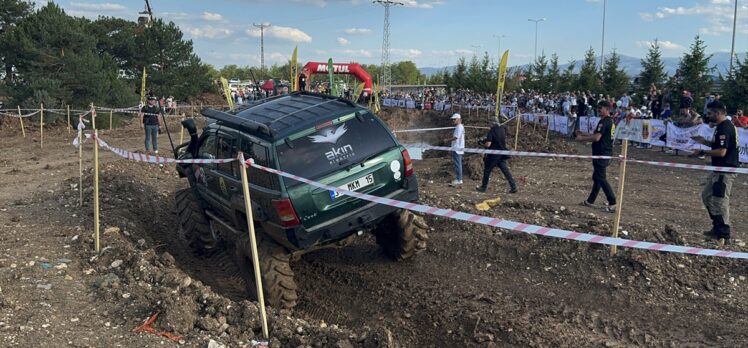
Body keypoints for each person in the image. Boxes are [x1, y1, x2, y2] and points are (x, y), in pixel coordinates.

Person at [690, 100, 740, 243]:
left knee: (719, 201)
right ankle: (716, 227)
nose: (708, 115)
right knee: (707, 196)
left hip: (725, 170)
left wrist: (701, 152)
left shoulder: (725, 127)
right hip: (718, 169)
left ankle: (723, 234)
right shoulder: (721, 127)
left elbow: (721, 152)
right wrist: (703, 141)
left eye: (710, 113)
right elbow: (718, 145)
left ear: (718, 113)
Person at [576, 100, 617, 213]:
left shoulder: (604, 122)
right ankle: (590, 200)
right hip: (603, 153)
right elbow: (597, 135)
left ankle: (613, 202)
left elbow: (596, 138)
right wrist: (583, 133)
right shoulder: (608, 121)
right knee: (597, 178)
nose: (598, 110)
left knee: (601, 178)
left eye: (601, 108)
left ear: (607, 109)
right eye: (598, 108)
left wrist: (582, 139)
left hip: (602, 154)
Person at [476, 120, 517, 193]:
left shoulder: (492, 131)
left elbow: (488, 144)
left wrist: (482, 144)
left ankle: (483, 187)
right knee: (506, 171)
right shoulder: (502, 129)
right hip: (502, 154)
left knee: (487, 171)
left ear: (492, 124)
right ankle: (513, 187)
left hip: (493, 155)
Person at [447, 113, 464, 186]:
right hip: (457, 147)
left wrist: (447, 140)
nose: (453, 121)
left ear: (458, 119)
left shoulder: (459, 127)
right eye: (453, 119)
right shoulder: (459, 127)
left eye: (454, 119)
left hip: (457, 148)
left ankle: (459, 179)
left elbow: (456, 137)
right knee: (458, 163)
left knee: (458, 164)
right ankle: (458, 178)